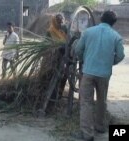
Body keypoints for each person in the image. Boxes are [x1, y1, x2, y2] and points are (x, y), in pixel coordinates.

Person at [73, 10, 125, 141]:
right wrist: (109, 63)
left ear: (101, 18)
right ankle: (100, 127)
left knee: (86, 103)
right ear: (113, 23)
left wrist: (84, 59)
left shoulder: (88, 32)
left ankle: (87, 134)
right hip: (104, 74)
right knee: (102, 101)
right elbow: (120, 55)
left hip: (88, 72)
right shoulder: (116, 36)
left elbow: (78, 50)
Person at [46, 14, 68, 99]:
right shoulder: (50, 31)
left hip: (64, 57)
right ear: (54, 22)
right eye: (58, 21)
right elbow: (46, 44)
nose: (60, 23)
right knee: (53, 76)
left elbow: (68, 40)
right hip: (53, 58)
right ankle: (52, 96)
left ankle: (60, 94)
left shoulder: (65, 29)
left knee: (64, 76)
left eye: (61, 21)